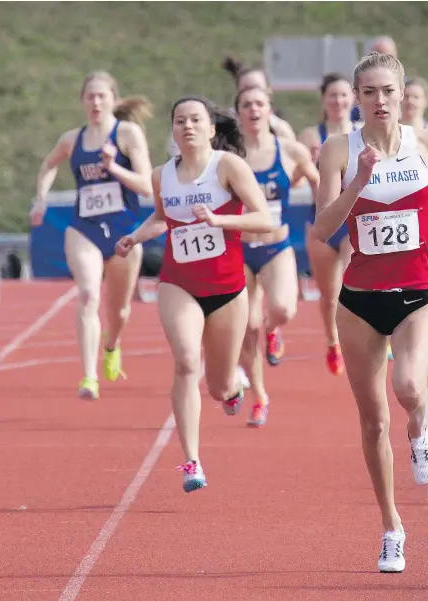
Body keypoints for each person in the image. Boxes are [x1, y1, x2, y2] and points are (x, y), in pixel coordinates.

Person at [313, 52, 428, 573]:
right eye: (367, 93)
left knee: (410, 388)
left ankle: (420, 429)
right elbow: (323, 228)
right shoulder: (337, 150)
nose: (379, 101)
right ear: (356, 98)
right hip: (359, 303)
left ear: (401, 94)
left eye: (387, 91)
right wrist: (357, 181)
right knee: (372, 423)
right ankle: (392, 527)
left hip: (417, 295)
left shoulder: (427, 142)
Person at [115, 96, 272, 493]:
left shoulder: (228, 167)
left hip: (227, 289)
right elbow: (162, 217)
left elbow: (264, 219)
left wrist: (219, 219)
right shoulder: (162, 176)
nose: (187, 126)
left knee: (218, 386)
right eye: (180, 120)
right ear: (172, 130)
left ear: (211, 129)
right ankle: (191, 461)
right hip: (178, 283)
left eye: (195, 120)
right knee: (186, 361)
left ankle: (234, 387)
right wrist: (135, 236)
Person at [30, 71, 154, 400]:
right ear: (83, 101)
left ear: (114, 99)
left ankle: (112, 346)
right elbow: (49, 164)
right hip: (83, 228)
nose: (96, 102)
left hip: (124, 232)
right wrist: (41, 198)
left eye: (102, 96)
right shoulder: (73, 139)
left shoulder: (127, 134)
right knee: (87, 295)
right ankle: (89, 377)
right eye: (90, 97)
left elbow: (145, 185)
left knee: (120, 311)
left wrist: (113, 168)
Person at [234, 85, 319, 427]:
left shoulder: (288, 150)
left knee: (283, 308)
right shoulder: (229, 156)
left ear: (270, 110)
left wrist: (328, 213)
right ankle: (259, 397)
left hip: (275, 246)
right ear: (238, 112)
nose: (253, 110)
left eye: (259, 104)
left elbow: (318, 181)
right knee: (246, 326)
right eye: (246, 105)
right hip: (238, 248)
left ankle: (275, 329)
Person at [298, 73, 358, 375]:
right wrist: (312, 164)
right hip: (322, 220)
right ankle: (333, 341)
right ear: (324, 100)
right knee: (329, 294)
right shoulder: (311, 136)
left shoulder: (363, 133)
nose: (338, 101)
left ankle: (370, 338)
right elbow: (297, 176)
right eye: (333, 95)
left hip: (354, 221)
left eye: (344, 95)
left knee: (354, 284)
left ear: (354, 98)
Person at [222, 56, 297, 140]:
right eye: (246, 89)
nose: (252, 95)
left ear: (269, 91)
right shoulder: (224, 127)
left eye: (257, 88)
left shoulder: (281, 131)